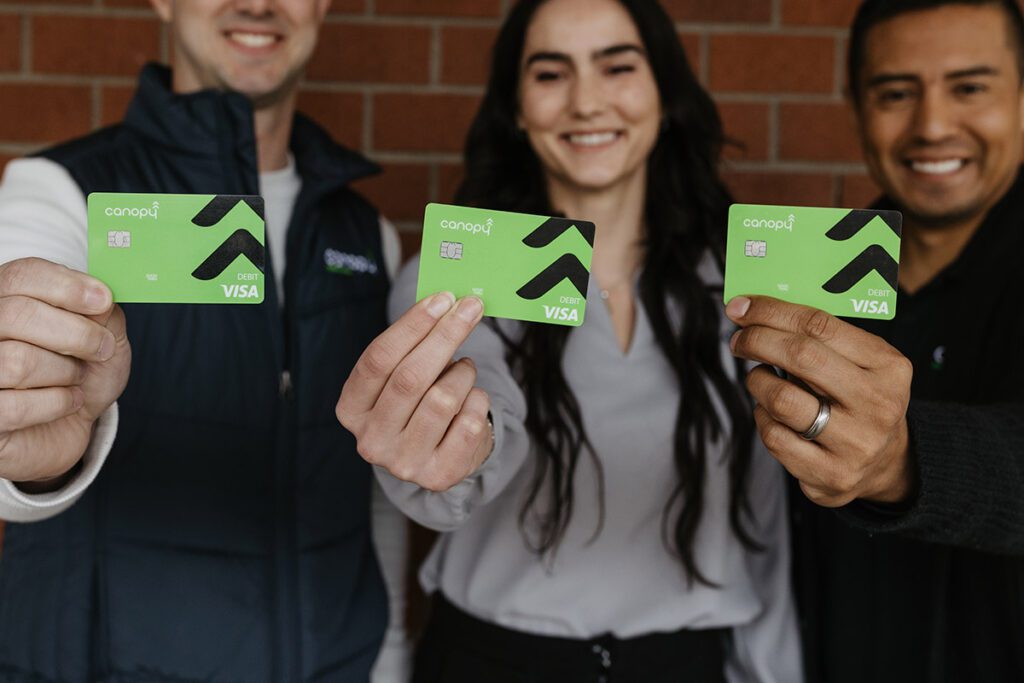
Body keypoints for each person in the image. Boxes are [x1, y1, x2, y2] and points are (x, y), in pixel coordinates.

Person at [337, 0, 802, 681]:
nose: (587, 102)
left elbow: (764, 521)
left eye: (617, 67)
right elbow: (481, 414)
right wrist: (458, 441)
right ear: (517, 108)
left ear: (665, 94)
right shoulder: (453, 275)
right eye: (551, 74)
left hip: (686, 663)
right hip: (492, 664)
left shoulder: (739, 284)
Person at [0, 0, 410, 680]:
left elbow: (376, 489)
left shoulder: (366, 235)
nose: (258, 4)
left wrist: (390, 657)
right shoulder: (59, 192)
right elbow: (13, 386)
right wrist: (31, 448)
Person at [724, 0, 1024, 680]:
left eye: (970, 87)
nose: (934, 125)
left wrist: (903, 460)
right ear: (856, 105)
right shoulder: (815, 273)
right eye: (895, 93)